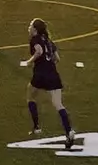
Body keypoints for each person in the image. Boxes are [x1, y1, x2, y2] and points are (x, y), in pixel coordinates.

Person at [26, 18, 75, 148]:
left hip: (40, 74)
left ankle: (36, 127)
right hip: (53, 75)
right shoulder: (49, 41)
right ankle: (69, 131)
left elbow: (39, 51)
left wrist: (30, 61)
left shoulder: (35, 39)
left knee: (30, 96)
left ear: (35, 29)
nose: (29, 27)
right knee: (58, 104)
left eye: (31, 26)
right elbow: (57, 59)